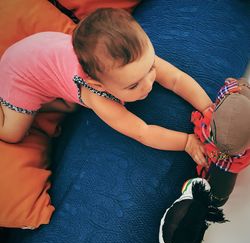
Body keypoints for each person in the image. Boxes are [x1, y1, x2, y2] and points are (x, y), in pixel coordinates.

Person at [0, 8, 212, 166]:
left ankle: (53, 101)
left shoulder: (134, 57)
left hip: (44, 48)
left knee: (69, 106)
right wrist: (186, 142)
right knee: (12, 133)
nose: (149, 84)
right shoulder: (98, 97)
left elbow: (175, 78)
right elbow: (142, 132)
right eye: (133, 86)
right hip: (20, 73)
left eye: (151, 68)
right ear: (98, 85)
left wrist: (207, 107)